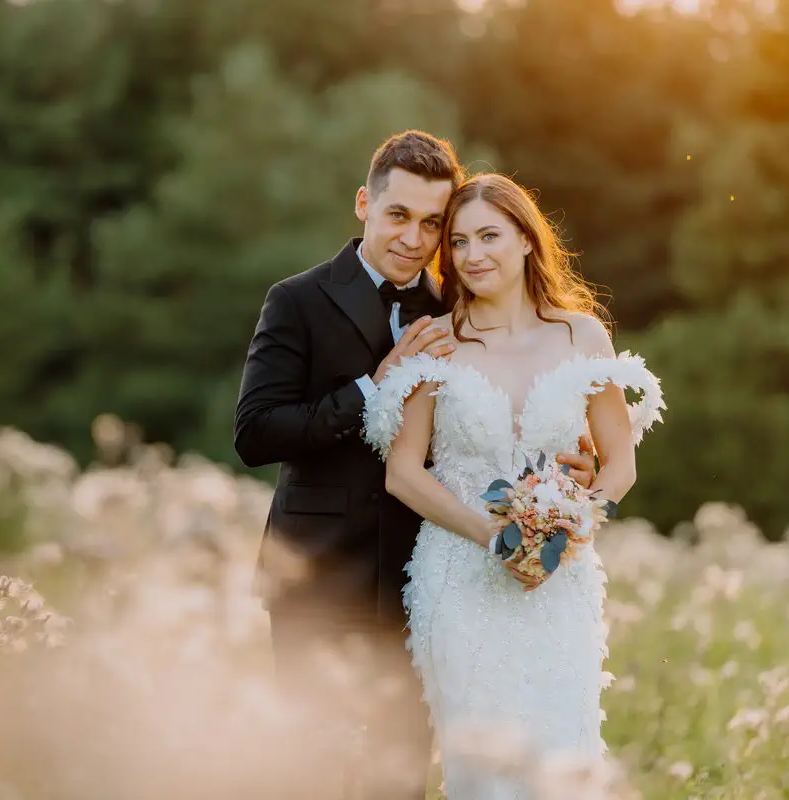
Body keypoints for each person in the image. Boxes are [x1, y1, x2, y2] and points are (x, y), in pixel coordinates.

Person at [233, 132, 597, 798]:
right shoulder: (298, 301)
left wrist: (568, 462)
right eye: (399, 215)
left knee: (398, 781)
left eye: (434, 223)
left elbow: (491, 421)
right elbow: (256, 433)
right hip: (316, 576)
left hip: (419, 586)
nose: (414, 237)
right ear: (364, 203)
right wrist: (373, 386)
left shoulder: (458, 315)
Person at [362, 173, 666, 798]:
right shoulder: (439, 340)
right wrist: (494, 537)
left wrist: (574, 520)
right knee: (485, 774)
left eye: (490, 236)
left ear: (528, 239)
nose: (474, 256)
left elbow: (619, 464)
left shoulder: (582, 334)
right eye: (461, 242)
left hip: (561, 583)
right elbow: (403, 472)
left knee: (563, 758)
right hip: (458, 581)